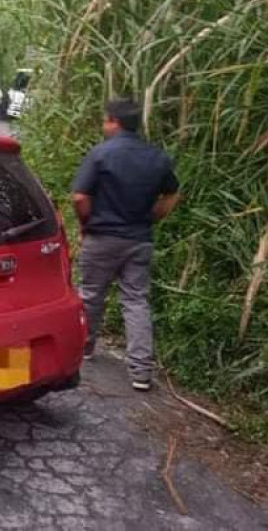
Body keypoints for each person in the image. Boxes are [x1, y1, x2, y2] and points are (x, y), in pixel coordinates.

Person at [72, 98, 180, 392]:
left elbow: (80, 197)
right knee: (136, 301)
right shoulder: (157, 157)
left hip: (102, 238)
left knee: (91, 294)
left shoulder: (101, 154)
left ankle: (83, 348)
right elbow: (171, 196)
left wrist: (85, 225)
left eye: (105, 120)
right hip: (139, 240)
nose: (104, 125)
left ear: (114, 122)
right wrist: (150, 218)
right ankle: (141, 372)